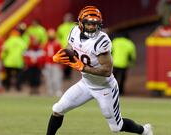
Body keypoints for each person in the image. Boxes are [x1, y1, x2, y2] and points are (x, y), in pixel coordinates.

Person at [46, 6, 153, 135]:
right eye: (88, 23)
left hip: (105, 88)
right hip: (86, 83)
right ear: (80, 23)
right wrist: (63, 54)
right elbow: (70, 47)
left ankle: (145, 131)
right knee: (58, 109)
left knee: (116, 127)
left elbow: (107, 70)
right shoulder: (74, 31)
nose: (91, 27)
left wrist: (83, 67)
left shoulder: (101, 41)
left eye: (95, 24)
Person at [42, 29, 63, 96]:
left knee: (56, 78)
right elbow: (44, 53)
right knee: (48, 78)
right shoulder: (46, 43)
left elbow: (60, 53)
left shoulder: (57, 43)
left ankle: (58, 90)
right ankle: (50, 91)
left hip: (55, 64)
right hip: (48, 63)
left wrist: (60, 62)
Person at [56, 13, 76, 79]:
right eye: (67, 18)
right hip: (63, 46)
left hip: (72, 46)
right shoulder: (61, 27)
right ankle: (64, 74)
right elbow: (58, 37)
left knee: (70, 61)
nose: (68, 19)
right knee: (64, 61)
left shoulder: (75, 26)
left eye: (69, 18)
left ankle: (68, 74)